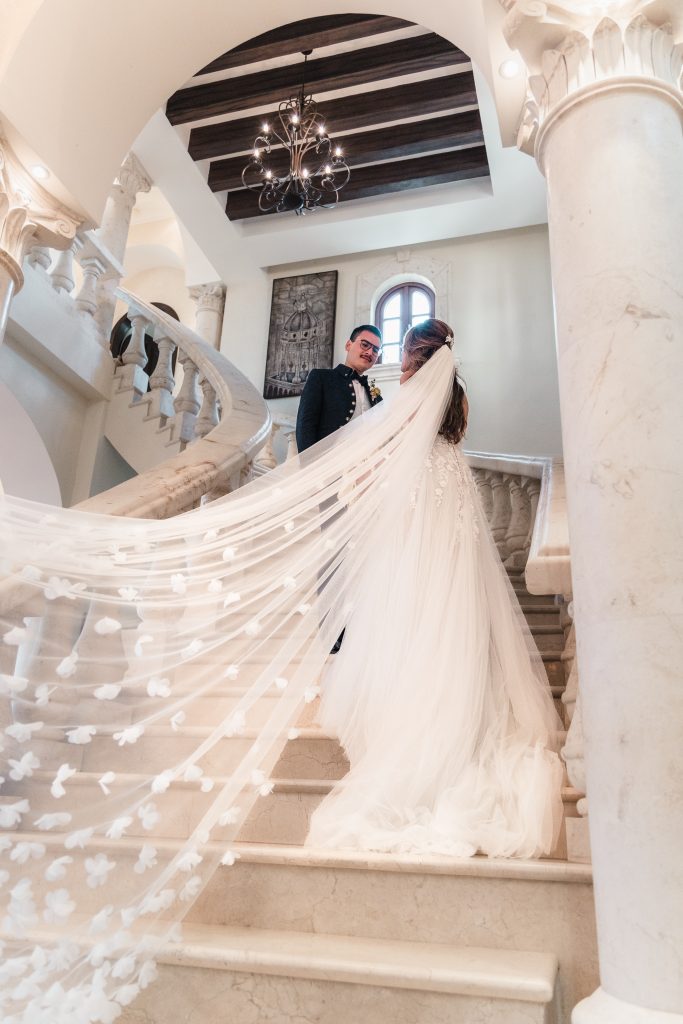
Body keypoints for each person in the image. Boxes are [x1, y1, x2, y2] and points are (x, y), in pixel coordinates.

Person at [306, 319, 563, 858]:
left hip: (421, 501)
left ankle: (414, 718)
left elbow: (393, 450)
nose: (395, 361)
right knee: (448, 604)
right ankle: (456, 704)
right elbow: (447, 444)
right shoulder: (458, 397)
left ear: (414, 354)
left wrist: (360, 477)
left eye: (400, 353)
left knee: (411, 603)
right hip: (452, 500)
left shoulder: (411, 392)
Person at [295, 324, 383, 453]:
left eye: (375, 350)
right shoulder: (321, 378)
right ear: (348, 345)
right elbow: (305, 426)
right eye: (365, 345)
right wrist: (310, 467)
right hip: (328, 465)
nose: (370, 352)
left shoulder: (375, 395)